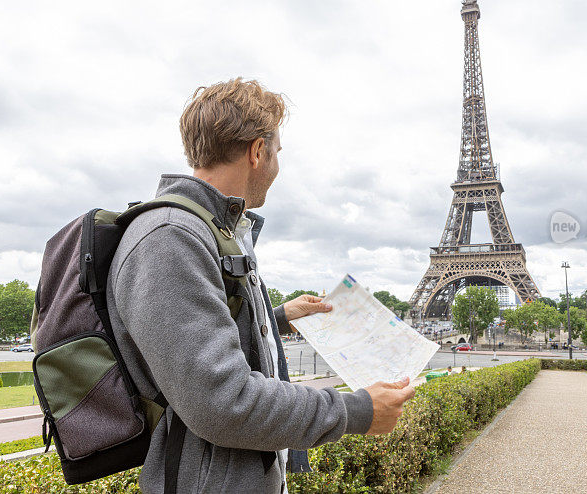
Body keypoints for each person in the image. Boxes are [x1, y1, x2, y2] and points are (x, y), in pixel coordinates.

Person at [106, 78, 415, 493]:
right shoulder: (170, 237)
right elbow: (222, 402)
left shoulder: (209, 231)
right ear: (257, 151)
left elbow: (207, 343)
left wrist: (279, 318)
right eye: (277, 152)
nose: (277, 165)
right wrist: (357, 410)